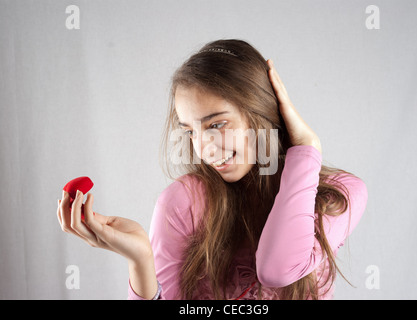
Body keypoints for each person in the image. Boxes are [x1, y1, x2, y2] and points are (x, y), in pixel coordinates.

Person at [57, 39, 368, 300]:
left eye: (217, 124)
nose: (203, 148)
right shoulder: (184, 202)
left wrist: (307, 148)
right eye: (191, 131)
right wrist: (140, 259)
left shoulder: (337, 195)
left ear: (261, 114)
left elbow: (277, 270)